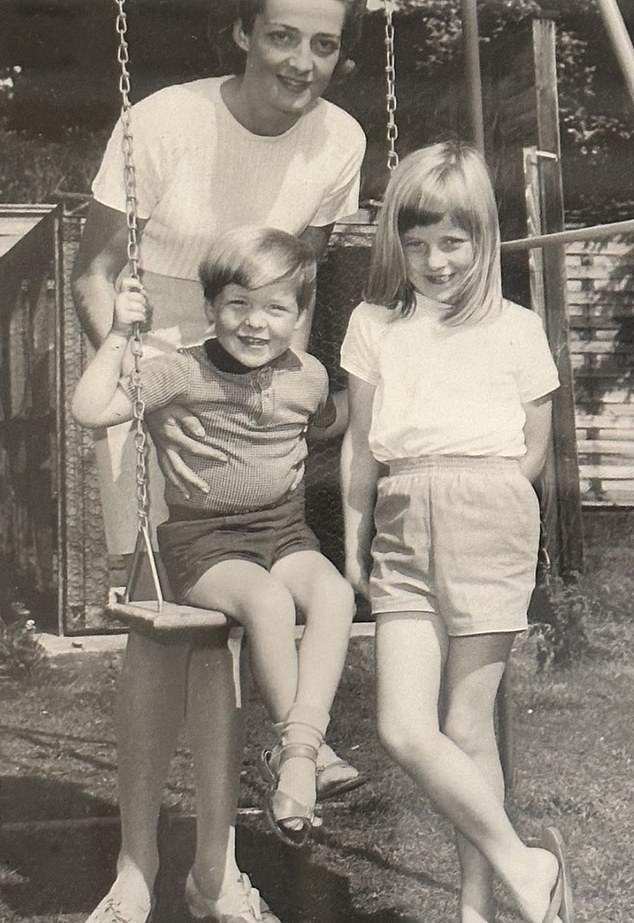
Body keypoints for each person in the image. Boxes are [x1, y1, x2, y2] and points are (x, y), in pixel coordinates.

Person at [71, 2, 367, 921]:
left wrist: (275, 395)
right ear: (242, 34)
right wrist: (149, 388)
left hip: (250, 388)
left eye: (324, 44)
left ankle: (214, 868)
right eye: (283, 36)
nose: (302, 62)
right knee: (167, 636)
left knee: (240, 626)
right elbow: (94, 271)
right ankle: (134, 865)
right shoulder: (161, 122)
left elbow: (300, 284)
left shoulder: (341, 142)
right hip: (155, 372)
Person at [340, 142, 574, 923]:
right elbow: (359, 443)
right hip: (402, 517)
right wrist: (353, 542)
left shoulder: (516, 326)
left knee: (467, 723)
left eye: (452, 242)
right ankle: (526, 863)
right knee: (404, 725)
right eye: (416, 244)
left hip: (487, 509)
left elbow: (534, 446)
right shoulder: (374, 324)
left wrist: (493, 496)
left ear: (483, 239)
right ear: (395, 245)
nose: (435, 261)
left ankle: (477, 906)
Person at [72, 226, 355, 851]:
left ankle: (299, 750)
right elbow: (91, 411)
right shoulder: (177, 372)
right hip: (206, 544)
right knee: (268, 603)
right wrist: (119, 334)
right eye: (238, 305)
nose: (256, 324)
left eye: (276, 308)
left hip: (284, 530)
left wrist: (385, 367)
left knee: (335, 594)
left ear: (300, 315)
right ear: (210, 308)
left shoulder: (307, 376)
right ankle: (302, 755)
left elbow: (336, 416)